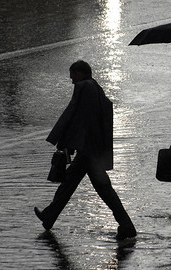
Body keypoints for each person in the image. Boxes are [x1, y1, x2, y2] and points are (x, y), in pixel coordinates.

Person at [34, 60, 136, 240]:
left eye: (72, 74)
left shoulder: (83, 87)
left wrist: (67, 141)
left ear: (80, 73)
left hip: (88, 152)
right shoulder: (95, 87)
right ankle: (49, 216)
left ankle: (127, 226)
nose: (71, 79)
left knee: (102, 189)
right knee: (71, 184)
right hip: (92, 149)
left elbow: (75, 116)